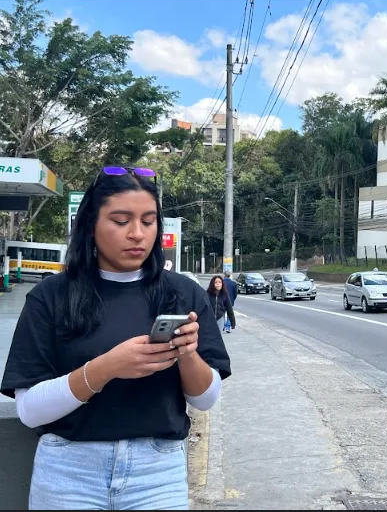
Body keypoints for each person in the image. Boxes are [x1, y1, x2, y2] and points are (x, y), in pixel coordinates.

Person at [0, 165, 231, 510]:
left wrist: (187, 354)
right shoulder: (51, 296)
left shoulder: (184, 293)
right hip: (68, 472)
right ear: (91, 224)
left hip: (157, 474)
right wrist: (106, 368)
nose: (137, 234)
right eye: (121, 221)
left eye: (148, 222)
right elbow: (30, 411)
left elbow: (205, 400)